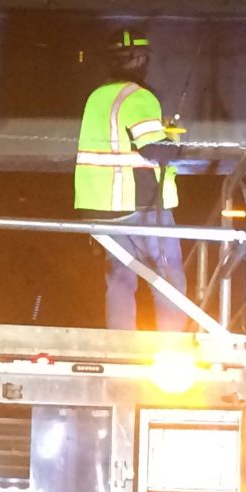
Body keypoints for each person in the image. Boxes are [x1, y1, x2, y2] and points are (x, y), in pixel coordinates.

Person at [74, 28, 186, 331]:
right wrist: (173, 141)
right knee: (168, 277)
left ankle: (120, 347)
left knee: (120, 279)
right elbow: (154, 150)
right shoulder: (139, 97)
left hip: (100, 209)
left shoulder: (97, 96)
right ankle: (172, 349)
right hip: (140, 205)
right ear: (140, 60)